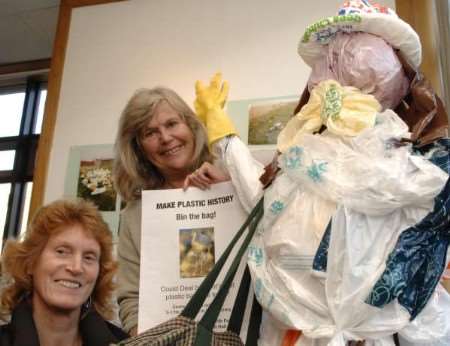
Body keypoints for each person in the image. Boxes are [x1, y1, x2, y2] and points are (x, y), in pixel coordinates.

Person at [113, 86, 231, 335]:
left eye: (172, 124)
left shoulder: (233, 174)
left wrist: (232, 191)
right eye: (150, 132)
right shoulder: (136, 214)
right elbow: (130, 297)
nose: (165, 138)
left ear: (190, 126)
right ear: (138, 147)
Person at [0, 199, 129, 346]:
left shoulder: (125, 342)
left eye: (88, 257)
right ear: (30, 263)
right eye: (62, 252)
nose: (76, 267)